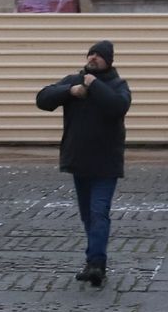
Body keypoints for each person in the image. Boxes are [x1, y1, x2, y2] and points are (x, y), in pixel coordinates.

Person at [36, 40, 131, 287]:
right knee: (88, 215)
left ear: (109, 61)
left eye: (99, 55)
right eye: (91, 54)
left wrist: (94, 85)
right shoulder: (73, 81)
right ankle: (92, 262)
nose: (93, 58)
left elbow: (117, 107)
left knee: (99, 212)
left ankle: (98, 264)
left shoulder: (118, 85)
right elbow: (43, 99)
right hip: (79, 162)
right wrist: (70, 91)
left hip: (106, 164)